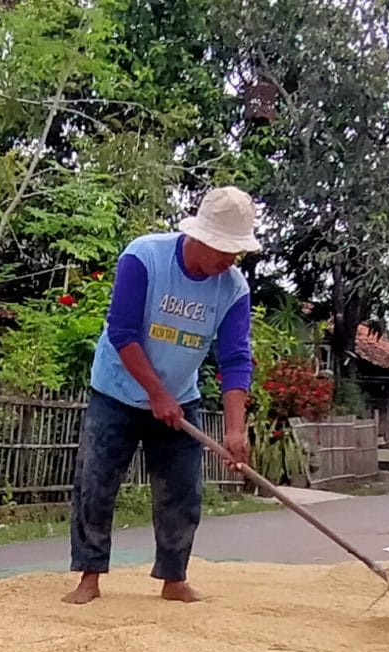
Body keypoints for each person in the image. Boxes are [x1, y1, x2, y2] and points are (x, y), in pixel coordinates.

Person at [63, 187, 260, 605]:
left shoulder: (234, 289)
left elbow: (235, 359)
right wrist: (155, 394)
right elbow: (122, 332)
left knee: (182, 490)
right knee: (95, 484)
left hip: (180, 396)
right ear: (200, 237)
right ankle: (90, 576)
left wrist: (235, 429)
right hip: (115, 390)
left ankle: (174, 578)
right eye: (224, 249)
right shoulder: (144, 257)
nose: (230, 260)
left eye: (236, 252)